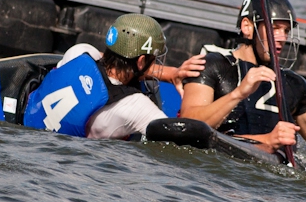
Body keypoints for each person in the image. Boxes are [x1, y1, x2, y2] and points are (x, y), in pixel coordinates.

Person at [179, 0, 306, 176]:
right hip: (217, 175)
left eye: (286, 30)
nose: (283, 38)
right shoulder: (212, 66)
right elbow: (189, 124)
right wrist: (238, 94)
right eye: (274, 28)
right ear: (248, 27)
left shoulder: (293, 84)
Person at [23, 13, 204, 140]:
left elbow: (108, 65)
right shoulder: (135, 106)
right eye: (153, 59)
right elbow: (177, 136)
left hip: (27, 123)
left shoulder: (79, 52)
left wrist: (172, 74)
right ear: (141, 62)